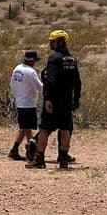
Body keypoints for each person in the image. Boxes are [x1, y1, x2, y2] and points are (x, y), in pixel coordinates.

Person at [27, 29, 81, 170]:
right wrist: (76, 99)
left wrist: (48, 98)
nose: (51, 43)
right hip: (67, 101)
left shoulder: (54, 59)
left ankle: (40, 159)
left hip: (54, 100)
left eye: (53, 41)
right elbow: (78, 82)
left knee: (44, 129)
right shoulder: (72, 60)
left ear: (61, 41)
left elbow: (50, 79)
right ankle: (63, 159)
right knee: (65, 129)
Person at [7, 49, 42, 161]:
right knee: (25, 127)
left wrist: (17, 95)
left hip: (20, 101)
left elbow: (12, 84)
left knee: (26, 128)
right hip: (28, 103)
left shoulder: (17, 68)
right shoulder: (30, 72)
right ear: (31, 61)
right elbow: (40, 87)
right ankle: (15, 150)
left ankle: (32, 149)